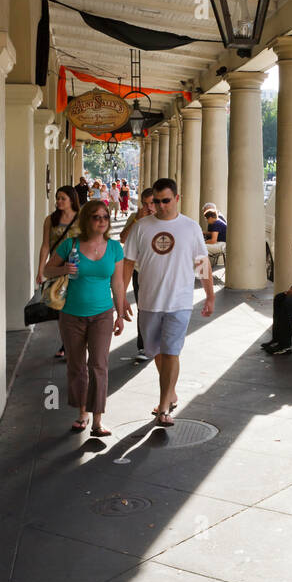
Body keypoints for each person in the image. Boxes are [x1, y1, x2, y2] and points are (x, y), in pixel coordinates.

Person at [122, 177, 213, 426]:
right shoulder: (141, 227)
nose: (161, 206)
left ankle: (164, 406)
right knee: (156, 353)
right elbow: (128, 262)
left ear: (177, 199)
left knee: (171, 352)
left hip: (180, 302)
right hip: (149, 302)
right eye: (157, 201)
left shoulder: (191, 227)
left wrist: (210, 295)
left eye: (166, 201)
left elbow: (202, 263)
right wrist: (120, 297)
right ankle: (170, 391)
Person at [44, 198, 129, 438]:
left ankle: (98, 420)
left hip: (102, 314)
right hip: (71, 314)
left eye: (105, 217)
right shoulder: (70, 245)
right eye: (96, 217)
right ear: (87, 220)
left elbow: (118, 282)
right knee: (76, 366)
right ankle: (82, 413)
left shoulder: (114, 248)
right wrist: (63, 269)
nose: (102, 221)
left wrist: (120, 314)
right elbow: (47, 270)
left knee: (99, 365)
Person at [36, 185, 80, 360]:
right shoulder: (50, 219)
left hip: (77, 269)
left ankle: (73, 344)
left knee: (75, 308)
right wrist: (41, 269)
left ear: (71, 199)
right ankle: (67, 344)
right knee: (60, 309)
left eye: (63, 198)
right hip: (56, 269)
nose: (59, 201)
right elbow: (45, 245)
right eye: (57, 198)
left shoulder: (81, 219)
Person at [121, 187, 156, 362]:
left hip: (159, 273)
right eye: (145, 204)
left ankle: (157, 343)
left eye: (152, 203)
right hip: (139, 271)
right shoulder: (136, 218)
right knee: (142, 308)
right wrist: (137, 220)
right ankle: (143, 345)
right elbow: (122, 237)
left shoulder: (164, 220)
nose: (149, 207)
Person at [201, 202, 227, 268]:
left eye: (206, 219)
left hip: (222, 245)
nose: (206, 221)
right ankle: (202, 270)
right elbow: (214, 233)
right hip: (222, 243)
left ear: (210, 218)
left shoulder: (216, 224)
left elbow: (213, 240)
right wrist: (205, 233)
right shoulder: (218, 221)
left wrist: (202, 242)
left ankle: (202, 271)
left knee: (200, 247)